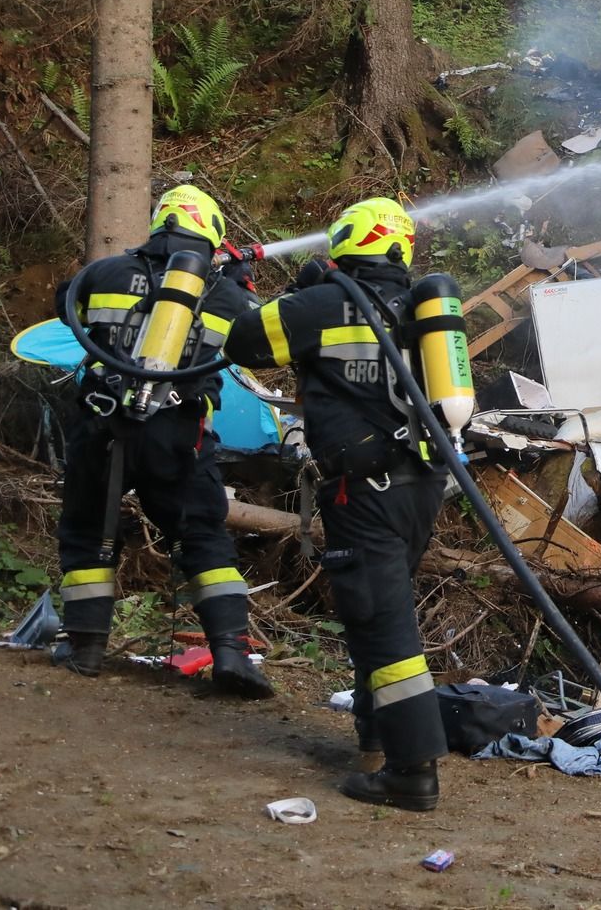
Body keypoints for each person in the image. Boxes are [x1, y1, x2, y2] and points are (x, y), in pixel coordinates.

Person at [225, 198, 447, 811]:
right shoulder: (423, 311)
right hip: (422, 486)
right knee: (383, 610)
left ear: (345, 242)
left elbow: (244, 341)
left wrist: (298, 293)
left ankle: (412, 772)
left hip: (364, 489)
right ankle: (377, 741)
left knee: (381, 618)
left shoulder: (322, 305)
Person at [50, 185, 273, 700]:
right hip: (179, 432)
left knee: (89, 530)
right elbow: (260, 347)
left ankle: (84, 648)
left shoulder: (103, 273)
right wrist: (236, 285)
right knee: (202, 537)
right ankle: (232, 653)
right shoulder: (229, 295)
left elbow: (66, 309)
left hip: (101, 423)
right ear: (212, 234)